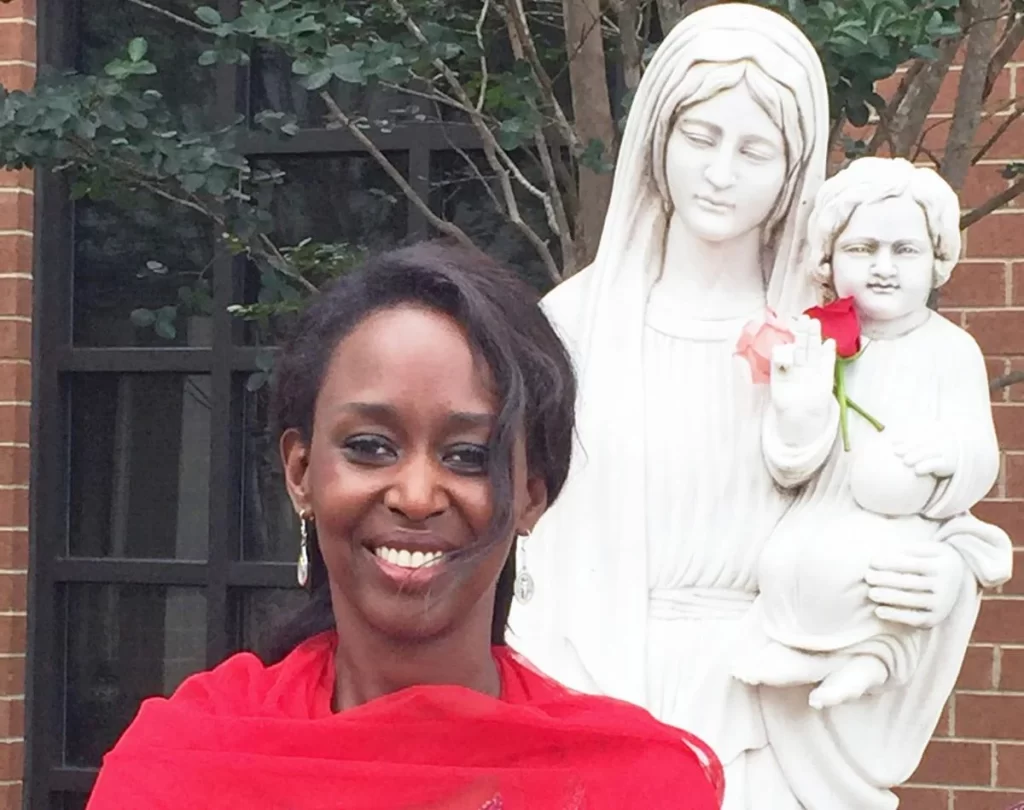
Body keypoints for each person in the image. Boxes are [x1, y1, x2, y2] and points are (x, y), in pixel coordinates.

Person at [506, 5, 1006, 809]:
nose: (720, 173)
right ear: (658, 140)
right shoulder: (570, 328)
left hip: (780, 714)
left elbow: (926, 497)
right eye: (700, 137)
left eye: (755, 150)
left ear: (792, 169)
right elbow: (518, 536)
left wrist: (938, 581)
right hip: (602, 689)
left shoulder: (841, 336)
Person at [84, 242, 723, 810]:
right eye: (370, 446)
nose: (416, 496)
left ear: (532, 495)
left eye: (468, 456)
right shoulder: (186, 766)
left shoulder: (630, 785)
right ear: (301, 472)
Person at [733, 157, 1011, 710]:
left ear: (936, 259)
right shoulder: (818, 347)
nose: (883, 267)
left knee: (872, 571)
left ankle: (876, 661)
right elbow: (789, 467)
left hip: (903, 521)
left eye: (905, 250)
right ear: (829, 259)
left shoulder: (951, 351)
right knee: (785, 562)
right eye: (862, 249)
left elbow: (981, 452)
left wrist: (951, 454)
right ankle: (810, 652)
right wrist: (800, 415)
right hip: (824, 509)